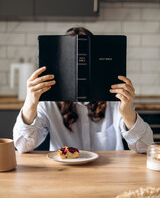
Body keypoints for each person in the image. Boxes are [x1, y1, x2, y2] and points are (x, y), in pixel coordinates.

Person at [13, 27, 153, 153]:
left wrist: (128, 113)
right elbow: (22, 146)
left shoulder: (116, 99)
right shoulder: (48, 101)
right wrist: (30, 104)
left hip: (109, 176)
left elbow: (145, 147)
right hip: (64, 177)